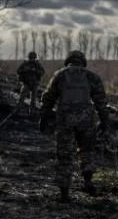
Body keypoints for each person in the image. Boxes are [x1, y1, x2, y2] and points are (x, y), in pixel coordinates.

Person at [39, 50, 109, 203]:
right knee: (87, 151)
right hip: (87, 120)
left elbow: (48, 98)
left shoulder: (60, 75)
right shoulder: (91, 76)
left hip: (65, 120)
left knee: (65, 155)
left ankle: (64, 193)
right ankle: (88, 182)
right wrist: (105, 121)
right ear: (83, 61)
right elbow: (101, 102)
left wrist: (43, 117)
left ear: (68, 60)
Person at [16, 51, 45, 116]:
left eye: (33, 58)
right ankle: (18, 110)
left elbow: (42, 72)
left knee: (33, 99)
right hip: (26, 83)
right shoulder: (25, 64)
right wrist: (25, 70)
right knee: (22, 97)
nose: (32, 59)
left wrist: (35, 71)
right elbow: (18, 71)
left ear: (35, 58)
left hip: (34, 84)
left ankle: (32, 111)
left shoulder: (37, 64)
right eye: (31, 57)